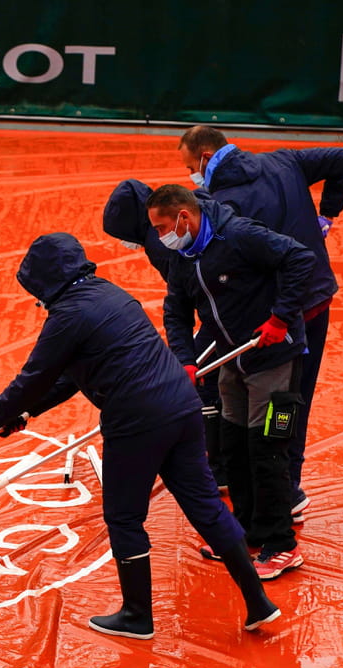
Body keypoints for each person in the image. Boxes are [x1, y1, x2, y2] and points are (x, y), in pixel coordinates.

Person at [0, 232, 279, 639]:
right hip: (181, 406)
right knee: (206, 507)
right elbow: (68, 377)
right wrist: (24, 413)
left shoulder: (67, 316)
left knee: (124, 516)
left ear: (44, 281)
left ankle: (137, 615)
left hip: (138, 421)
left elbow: (33, 378)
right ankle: (258, 603)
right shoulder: (110, 294)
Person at [177, 126, 343, 522]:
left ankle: (277, 497)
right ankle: (284, 488)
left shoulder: (218, 204)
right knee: (292, 401)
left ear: (205, 156)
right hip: (312, 302)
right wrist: (328, 214)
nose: (192, 174)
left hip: (274, 319)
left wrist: (275, 315)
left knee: (268, 406)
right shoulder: (283, 161)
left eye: (191, 167)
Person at [147, 184, 315, 579]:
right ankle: (247, 530)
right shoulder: (184, 257)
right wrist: (184, 361)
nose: (159, 236)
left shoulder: (240, 235)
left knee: (268, 448)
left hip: (273, 356)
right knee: (234, 445)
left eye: (161, 227)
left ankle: (281, 544)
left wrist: (281, 317)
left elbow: (300, 258)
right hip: (231, 360)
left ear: (183, 218)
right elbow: (176, 310)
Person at [102, 179, 228, 492]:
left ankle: (220, 465)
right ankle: (221, 455)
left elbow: (182, 293)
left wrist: (190, 349)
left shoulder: (160, 244)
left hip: (225, 316)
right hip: (217, 311)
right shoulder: (163, 229)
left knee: (204, 381)